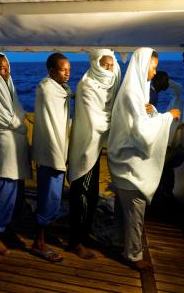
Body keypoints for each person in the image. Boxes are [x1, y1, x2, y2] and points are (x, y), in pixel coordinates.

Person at [107, 48, 180, 271]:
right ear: (142, 65)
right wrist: (169, 116)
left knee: (122, 209)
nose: (154, 72)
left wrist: (154, 112)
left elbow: (139, 122)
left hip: (122, 162)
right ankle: (134, 255)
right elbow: (143, 134)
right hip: (130, 166)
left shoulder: (135, 91)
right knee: (135, 211)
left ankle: (119, 242)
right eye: (153, 66)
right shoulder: (133, 94)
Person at [67, 49, 121, 259]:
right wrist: (118, 119)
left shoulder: (108, 86)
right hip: (84, 149)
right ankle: (75, 241)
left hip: (95, 147)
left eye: (110, 65)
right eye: (104, 65)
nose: (108, 69)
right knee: (81, 194)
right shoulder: (86, 86)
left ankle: (84, 234)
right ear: (95, 64)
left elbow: (115, 91)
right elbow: (97, 122)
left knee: (91, 195)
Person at [0, 52, 30, 255]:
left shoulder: (8, 83)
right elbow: (2, 116)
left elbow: (17, 110)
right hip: (5, 142)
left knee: (17, 190)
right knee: (5, 188)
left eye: (7, 67)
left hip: (16, 141)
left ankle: (7, 227)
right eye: (2, 68)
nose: (6, 71)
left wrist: (18, 122)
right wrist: (19, 124)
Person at [31, 53, 72, 262]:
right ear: (51, 71)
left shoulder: (62, 90)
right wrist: (58, 154)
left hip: (58, 150)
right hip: (50, 152)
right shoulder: (46, 89)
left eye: (69, 69)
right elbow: (51, 125)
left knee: (54, 197)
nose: (67, 73)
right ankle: (38, 243)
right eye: (63, 70)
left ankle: (45, 234)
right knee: (47, 197)